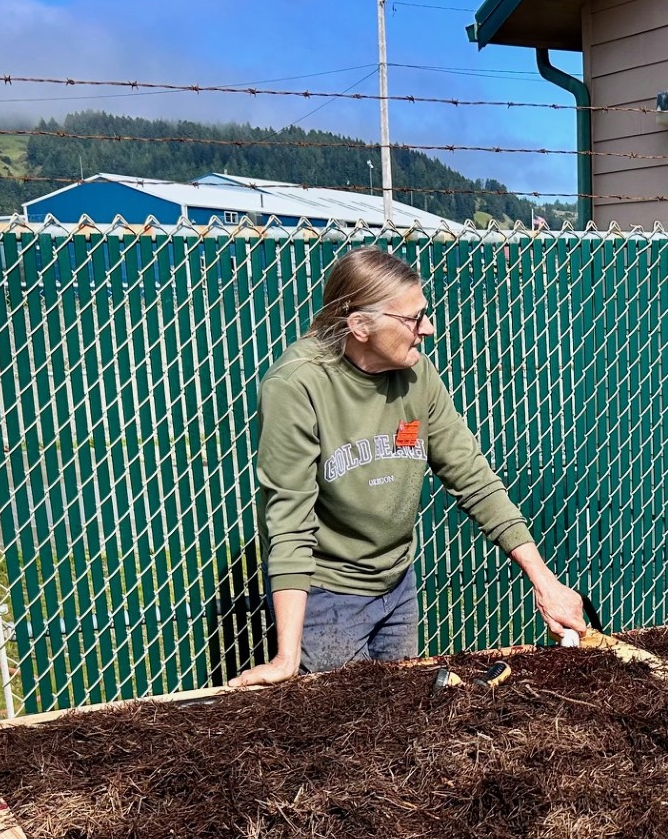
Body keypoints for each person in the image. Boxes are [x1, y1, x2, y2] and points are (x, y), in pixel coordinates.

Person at [231, 248, 585, 686]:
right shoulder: (297, 385)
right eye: (413, 319)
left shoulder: (417, 375)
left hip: (398, 582)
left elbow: (472, 478)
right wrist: (286, 657)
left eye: (426, 313)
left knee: (402, 723)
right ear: (360, 324)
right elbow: (289, 521)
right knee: (346, 729)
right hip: (328, 593)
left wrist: (543, 580)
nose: (428, 329)